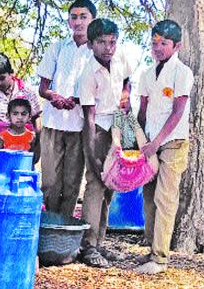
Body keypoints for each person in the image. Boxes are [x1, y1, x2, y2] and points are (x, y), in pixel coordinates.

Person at [135, 19, 194, 275]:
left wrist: (157, 141)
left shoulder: (182, 72)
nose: (158, 47)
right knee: (148, 197)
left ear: (176, 45)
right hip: (149, 144)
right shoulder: (147, 74)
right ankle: (151, 248)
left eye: (164, 43)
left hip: (172, 142)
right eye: (154, 42)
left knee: (165, 197)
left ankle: (160, 257)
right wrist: (137, 143)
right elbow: (143, 111)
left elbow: (178, 112)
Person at [78, 18, 132, 268]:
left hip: (117, 129)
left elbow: (127, 81)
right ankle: (88, 246)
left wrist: (125, 98)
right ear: (90, 44)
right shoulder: (88, 73)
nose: (108, 48)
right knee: (95, 185)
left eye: (112, 42)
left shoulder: (120, 60)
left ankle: (100, 242)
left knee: (110, 186)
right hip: (97, 130)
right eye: (101, 42)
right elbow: (88, 117)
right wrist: (92, 155)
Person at [37, 0, 96, 216]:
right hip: (53, 123)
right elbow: (43, 88)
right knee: (50, 182)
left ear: (92, 20)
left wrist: (77, 99)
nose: (78, 21)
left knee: (72, 184)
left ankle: (63, 230)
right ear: (69, 21)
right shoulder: (58, 47)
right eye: (74, 17)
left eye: (83, 17)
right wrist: (53, 96)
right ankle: (49, 225)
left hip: (80, 126)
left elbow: (100, 90)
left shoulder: (96, 52)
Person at [0, 52, 41, 154]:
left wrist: (36, 146)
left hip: (25, 145)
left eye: (1, 78)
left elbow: (36, 118)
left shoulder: (27, 92)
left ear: (11, 73)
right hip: (1, 147)